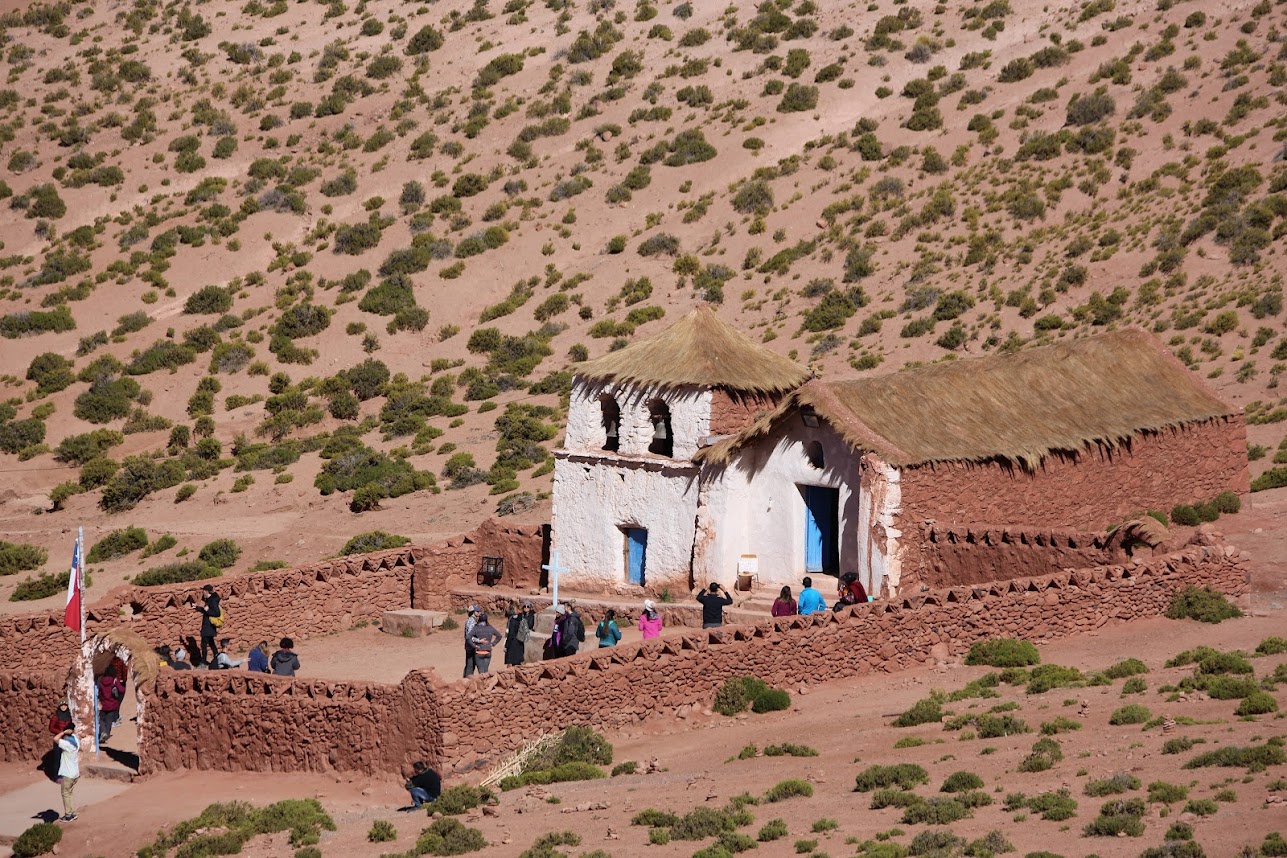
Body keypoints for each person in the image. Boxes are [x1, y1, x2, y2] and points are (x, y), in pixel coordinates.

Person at [194, 584, 223, 667]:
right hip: (208, 627)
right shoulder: (210, 599)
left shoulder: (212, 601)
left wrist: (208, 610)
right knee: (211, 643)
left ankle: (203, 662)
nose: (203, 593)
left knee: (204, 645)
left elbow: (217, 613)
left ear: (206, 591)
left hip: (208, 627)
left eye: (203, 591)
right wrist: (197, 608)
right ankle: (217, 658)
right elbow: (205, 611)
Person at [55, 726, 79, 822]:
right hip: (75, 774)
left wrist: (62, 732)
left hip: (68, 774)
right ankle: (72, 812)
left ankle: (68, 815)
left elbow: (55, 739)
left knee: (65, 793)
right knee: (70, 793)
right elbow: (74, 734)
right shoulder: (76, 741)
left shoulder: (67, 744)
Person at [96, 671, 125, 743]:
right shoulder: (114, 680)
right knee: (109, 721)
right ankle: (106, 735)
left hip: (103, 704)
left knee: (102, 719)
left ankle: (103, 732)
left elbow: (97, 691)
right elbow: (122, 690)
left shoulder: (100, 680)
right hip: (112, 704)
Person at [505, 602, 535, 666]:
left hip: (513, 642)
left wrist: (506, 645)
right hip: (520, 641)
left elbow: (511, 633)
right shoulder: (522, 619)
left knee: (511, 662)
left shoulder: (513, 620)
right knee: (518, 661)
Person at [462, 605, 480, 678]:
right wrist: (478, 640)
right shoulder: (472, 621)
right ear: (473, 612)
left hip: (468, 645)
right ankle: (467, 681)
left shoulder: (469, 620)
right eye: (477, 611)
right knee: (470, 665)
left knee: (469, 664)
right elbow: (469, 636)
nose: (479, 613)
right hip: (471, 646)